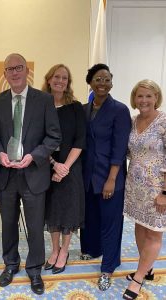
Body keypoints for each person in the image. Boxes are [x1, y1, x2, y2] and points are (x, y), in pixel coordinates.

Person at [0, 53, 61, 295]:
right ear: (5, 73)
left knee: (34, 226)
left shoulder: (44, 100)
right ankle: (11, 264)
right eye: (10, 69)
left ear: (27, 70)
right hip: (6, 176)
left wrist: (34, 156)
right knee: (8, 224)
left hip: (34, 174)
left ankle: (34, 269)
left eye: (19, 67)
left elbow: (54, 136)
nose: (15, 72)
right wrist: (0, 154)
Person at [79, 63, 131, 291]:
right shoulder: (83, 109)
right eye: (98, 79)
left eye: (107, 79)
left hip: (111, 177)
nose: (103, 83)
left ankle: (108, 267)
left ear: (112, 82)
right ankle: (92, 249)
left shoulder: (119, 110)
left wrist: (111, 179)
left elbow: (119, 148)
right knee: (90, 218)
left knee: (111, 224)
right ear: (89, 82)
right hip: (87, 176)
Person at [122, 80, 166, 299]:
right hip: (134, 187)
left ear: (156, 97)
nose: (144, 100)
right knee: (140, 228)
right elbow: (129, 153)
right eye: (140, 96)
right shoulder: (132, 121)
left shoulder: (164, 121)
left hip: (158, 189)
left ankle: (138, 279)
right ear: (134, 98)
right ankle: (146, 269)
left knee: (154, 233)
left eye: (149, 96)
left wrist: (165, 193)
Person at [41, 64, 85, 274]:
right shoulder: (41, 105)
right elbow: (35, 139)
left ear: (68, 83)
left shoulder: (76, 107)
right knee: (52, 210)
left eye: (65, 78)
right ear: (49, 80)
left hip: (71, 167)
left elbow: (80, 139)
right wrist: (53, 164)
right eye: (56, 77)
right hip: (47, 165)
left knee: (68, 210)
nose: (60, 81)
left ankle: (65, 251)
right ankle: (54, 249)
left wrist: (65, 167)